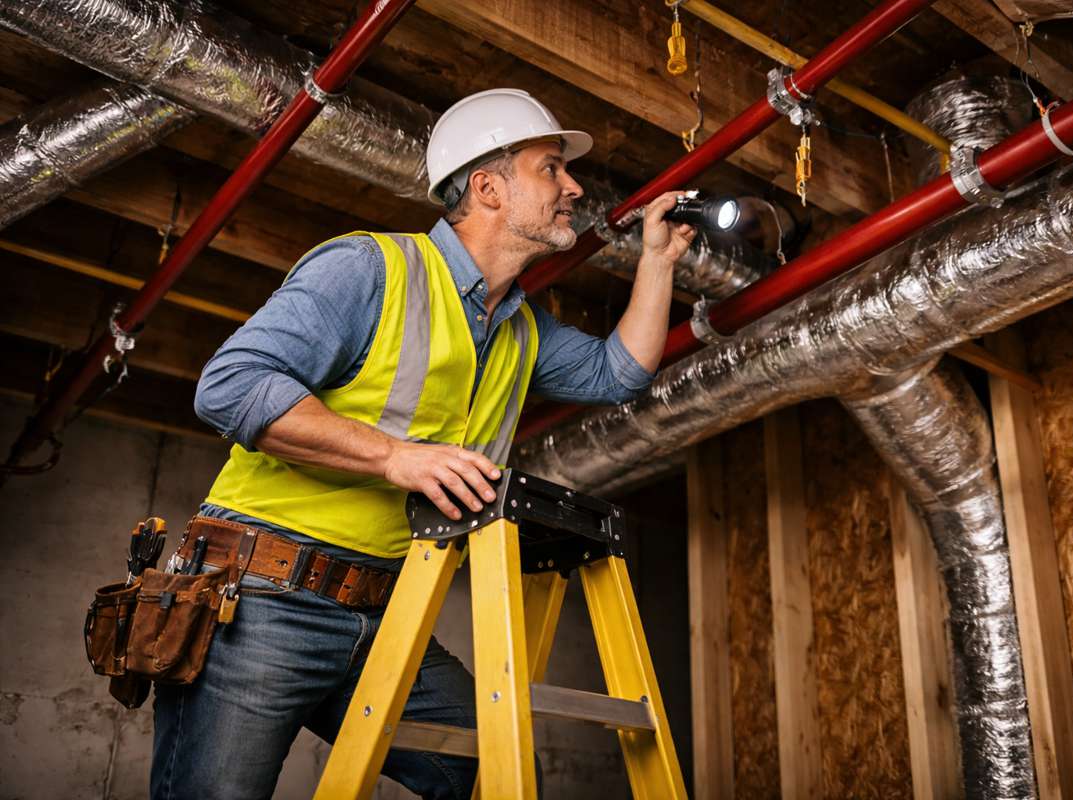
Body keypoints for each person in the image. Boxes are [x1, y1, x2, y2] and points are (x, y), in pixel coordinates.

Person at [151, 88, 696, 799]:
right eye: (552, 167)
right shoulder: (372, 269)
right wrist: (394, 457)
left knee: (478, 766)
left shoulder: (523, 329)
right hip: (261, 598)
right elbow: (228, 385)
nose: (574, 188)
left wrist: (658, 260)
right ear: (488, 187)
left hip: (381, 615)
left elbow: (617, 374)